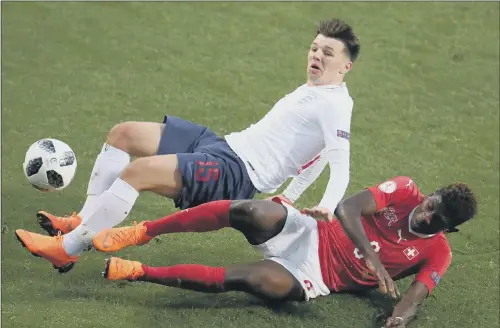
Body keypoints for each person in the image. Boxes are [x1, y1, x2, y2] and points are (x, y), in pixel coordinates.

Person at [15, 18, 361, 273]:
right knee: (124, 134)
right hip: (221, 146)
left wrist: (327, 203)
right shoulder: (316, 92)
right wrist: (292, 193)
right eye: (314, 48)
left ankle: (68, 249)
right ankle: (82, 221)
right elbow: (316, 153)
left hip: (235, 174)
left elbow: (338, 162)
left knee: (137, 173)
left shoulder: (335, 105)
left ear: (345, 66)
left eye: (327, 53)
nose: (316, 55)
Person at [93, 176, 474, 328]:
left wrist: (397, 321)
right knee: (250, 211)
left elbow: (414, 297)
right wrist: (375, 263)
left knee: (250, 279)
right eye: (430, 203)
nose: (425, 213)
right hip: (313, 230)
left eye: (435, 218)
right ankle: (143, 232)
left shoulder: (438, 252)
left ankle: (140, 272)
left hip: (316, 275)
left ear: (448, 228)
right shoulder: (405, 189)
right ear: (431, 193)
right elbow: (347, 208)